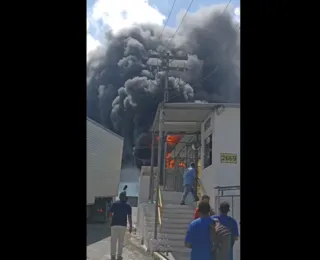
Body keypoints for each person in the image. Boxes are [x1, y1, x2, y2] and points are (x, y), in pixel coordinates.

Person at [108, 192, 132, 260]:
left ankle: (113, 256)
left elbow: (110, 213)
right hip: (123, 225)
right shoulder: (128, 206)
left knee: (113, 241)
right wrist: (130, 226)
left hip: (114, 225)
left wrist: (110, 222)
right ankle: (119, 256)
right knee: (121, 241)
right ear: (125, 198)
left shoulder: (115, 204)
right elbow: (129, 217)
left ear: (119, 197)